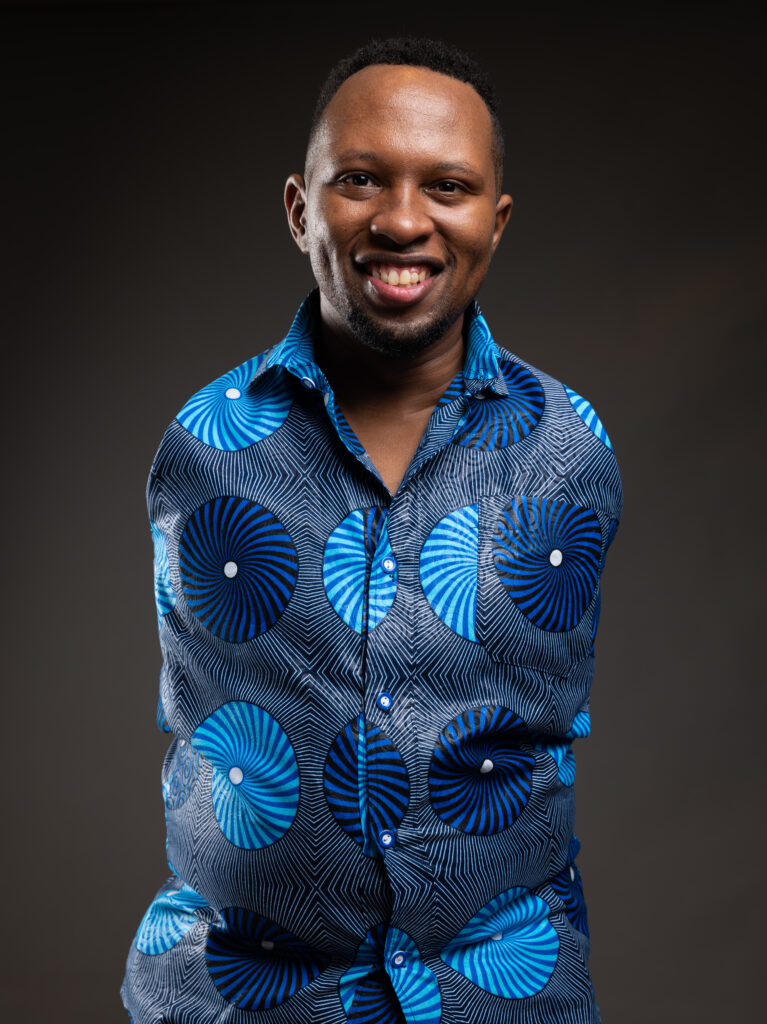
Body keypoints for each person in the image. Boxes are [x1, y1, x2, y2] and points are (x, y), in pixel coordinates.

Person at [122, 37, 622, 1024]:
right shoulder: (201, 444)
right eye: (359, 179)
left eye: (446, 185)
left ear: (494, 219)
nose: (401, 220)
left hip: (502, 993)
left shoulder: (572, 448)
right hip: (239, 999)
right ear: (300, 208)